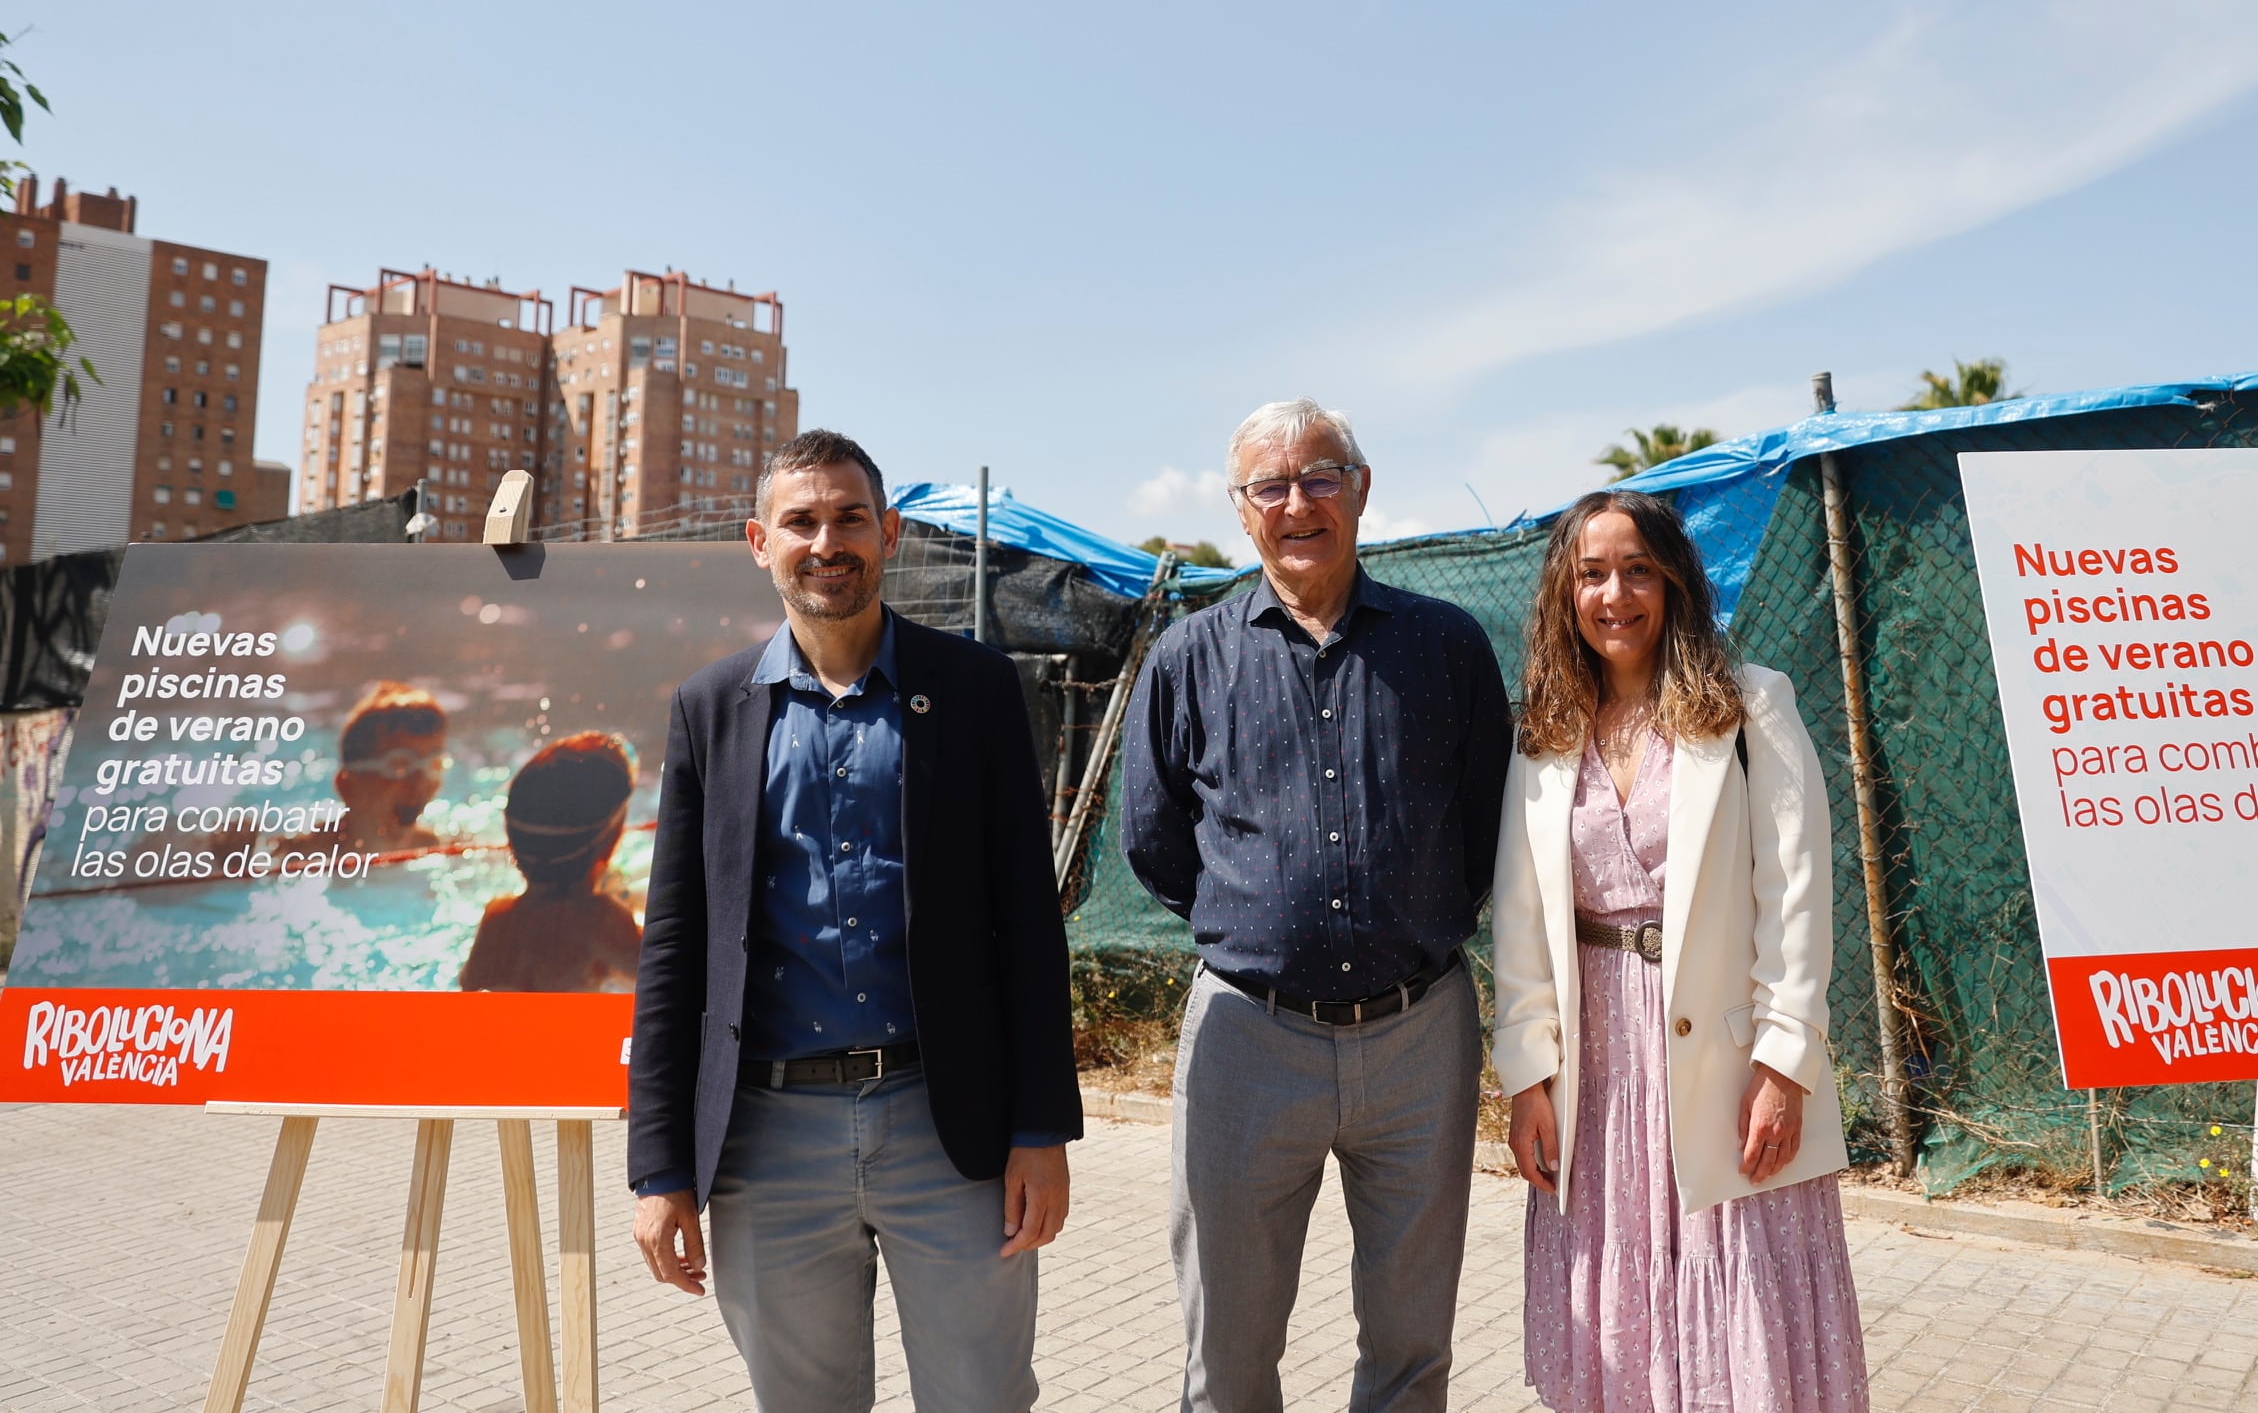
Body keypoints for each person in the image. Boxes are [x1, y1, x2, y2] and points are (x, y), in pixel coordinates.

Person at [627, 429, 1081, 1413]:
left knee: (982, 1399)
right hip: (765, 1141)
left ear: (892, 535)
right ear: (759, 541)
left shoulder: (972, 691)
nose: (826, 541)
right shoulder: (711, 708)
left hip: (947, 1126)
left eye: (849, 518)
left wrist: (1041, 1128)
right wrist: (658, 1169)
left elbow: (1027, 923)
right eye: (801, 521)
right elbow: (675, 950)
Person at [1124, 398, 1513, 1413]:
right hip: (1246, 1041)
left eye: (1321, 477)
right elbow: (1155, 842)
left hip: (1421, 1036)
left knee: (1411, 1347)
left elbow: (1487, 827)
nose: (1298, 503)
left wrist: (1410, 922)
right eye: (1271, 486)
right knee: (1230, 1356)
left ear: (1361, 489)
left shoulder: (1447, 647)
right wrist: (1258, 926)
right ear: (1241, 510)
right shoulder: (1186, 660)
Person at [1493, 489, 1870, 1413]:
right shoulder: (1546, 727)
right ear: (1563, 593)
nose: (1614, 594)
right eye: (1590, 574)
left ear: (1674, 582)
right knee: (1621, 1319)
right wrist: (1527, 1074)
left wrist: (1786, 1064)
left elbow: (1797, 894)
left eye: (1637, 570)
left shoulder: (1750, 704)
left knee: (1738, 1297)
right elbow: (1521, 913)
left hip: (1725, 1064)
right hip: (1598, 1067)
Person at [459, 731, 643, 992]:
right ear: (610, 839)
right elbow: (676, 977)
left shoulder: (496, 919)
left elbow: (469, 990)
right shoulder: (599, 919)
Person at [283, 681, 451, 858]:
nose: (419, 782)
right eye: (399, 766)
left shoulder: (443, 850)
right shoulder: (291, 859)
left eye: (433, 764)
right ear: (347, 786)